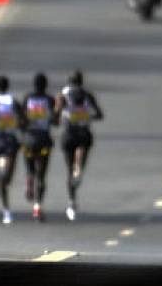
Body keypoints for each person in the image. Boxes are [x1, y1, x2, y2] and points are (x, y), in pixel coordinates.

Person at [55, 70, 104, 221]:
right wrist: (87, 116)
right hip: (83, 133)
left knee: (69, 171)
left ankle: (71, 202)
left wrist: (63, 116)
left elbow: (55, 116)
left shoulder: (62, 96)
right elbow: (99, 115)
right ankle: (79, 167)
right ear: (81, 82)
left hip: (68, 134)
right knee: (79, 161)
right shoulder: (88, 95)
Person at [0, 76, 25, 225]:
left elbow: (23, 121)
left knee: (5, 178)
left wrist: (16, 123)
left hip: (8, 140)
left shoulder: (12, 101)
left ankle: (5, 205)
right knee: (1, 178)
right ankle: (6, 210)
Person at [21, 73, 57, 222]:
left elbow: (22, 119)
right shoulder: (49, 99)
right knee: (41, 175)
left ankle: (29, 179)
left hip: (28, 141)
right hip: (44, 141)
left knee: (30, 168)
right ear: (45, 85)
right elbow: (55, 121)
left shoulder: (27, 98)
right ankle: (37, 207)